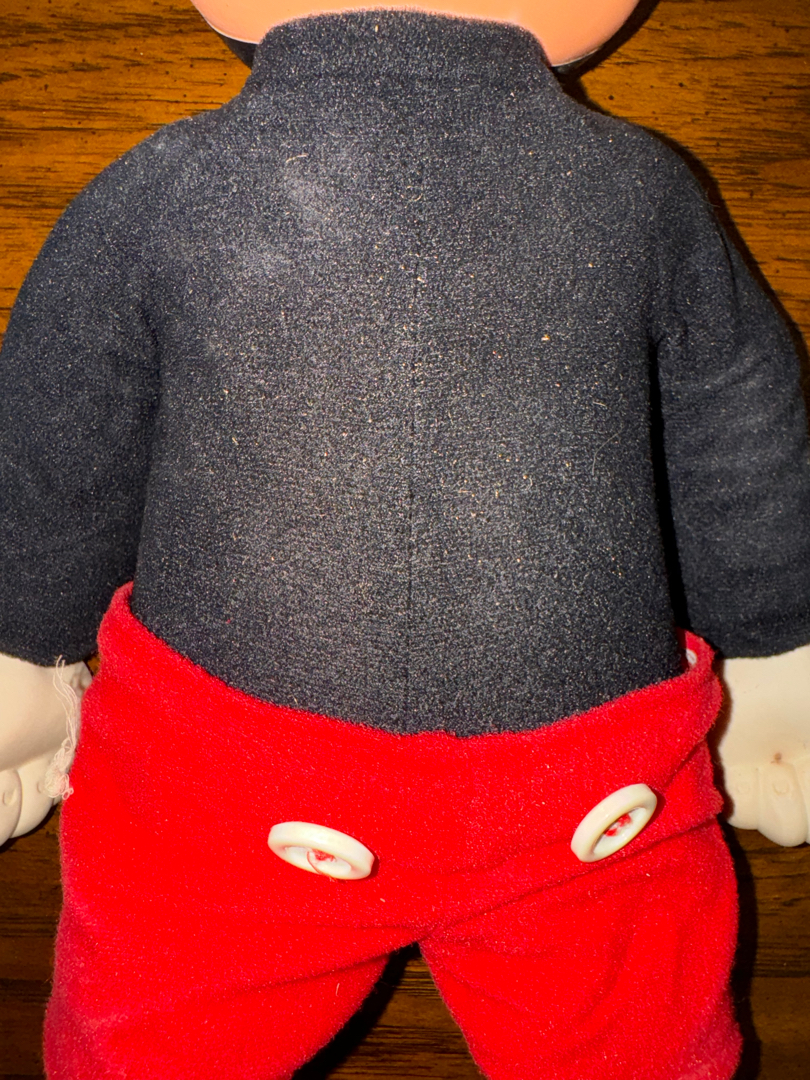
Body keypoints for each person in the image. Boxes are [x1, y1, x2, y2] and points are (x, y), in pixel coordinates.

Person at [0, 2, 808, 1076]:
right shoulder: (640, 187)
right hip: (591, 804)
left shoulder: (165, 181)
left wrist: (22, 647)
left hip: (225, 799)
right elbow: (738, 423)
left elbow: (59, 430)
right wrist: (778, 651)